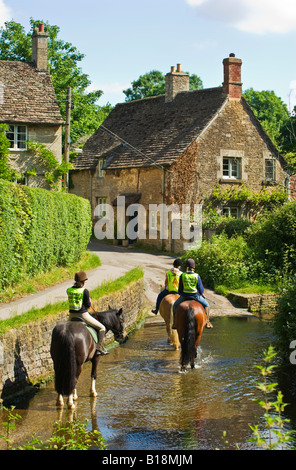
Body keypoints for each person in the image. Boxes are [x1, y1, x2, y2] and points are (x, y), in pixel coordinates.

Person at [67, 270, 108, 355]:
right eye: (85, 281)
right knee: (102, 328)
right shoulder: (84, 291)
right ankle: (98, 349)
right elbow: (88, 306)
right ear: (83, 281)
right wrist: (89, 300)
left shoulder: (69, 290)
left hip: (71, 315)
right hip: (83, 315)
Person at [173, 258, 213, 328]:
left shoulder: (183, 275)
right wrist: (201, 293)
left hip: (184, 296)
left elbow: (180, 288)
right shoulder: (197, 276)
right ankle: (207, 322)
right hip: (195, 296)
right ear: (194, 267)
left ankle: (174, 323)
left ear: (186, 267)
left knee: (174, 306)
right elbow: (200, 289)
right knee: (207, 305)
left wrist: (181, 293)